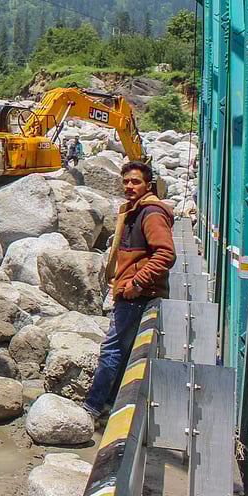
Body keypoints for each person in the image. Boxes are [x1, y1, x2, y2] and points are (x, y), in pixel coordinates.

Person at [83, 161, 176, 420]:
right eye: (125, 182)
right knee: (122, 351)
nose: (129, 186)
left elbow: (166, 253)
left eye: (135, 182)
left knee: (112, 350)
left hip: (136, 294)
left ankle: (93, 405)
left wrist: (137, 283)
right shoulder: (137, 211)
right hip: (130, 292)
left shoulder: (151, 213)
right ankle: (111, 403)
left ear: (148, 185)